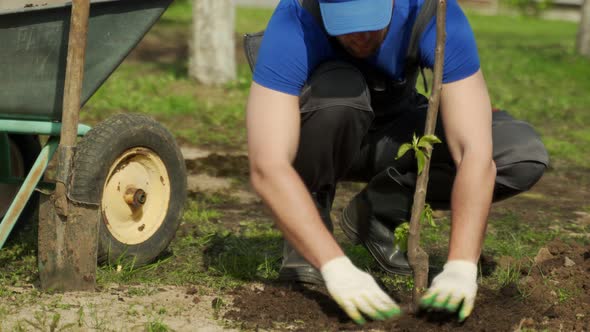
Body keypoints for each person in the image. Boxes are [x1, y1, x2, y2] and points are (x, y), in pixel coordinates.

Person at [244, 0, 548, 325]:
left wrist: (461, 266)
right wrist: (335, 266)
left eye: (369, 22)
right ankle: (309, 224)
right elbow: (268, 166)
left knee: (517, 153)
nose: (359, 36)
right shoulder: (297, 19)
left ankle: (379, 209)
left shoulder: (432, 13)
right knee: (339, 90)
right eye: (345, 24)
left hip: (397, 138)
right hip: (324, 137)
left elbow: (474, 150)